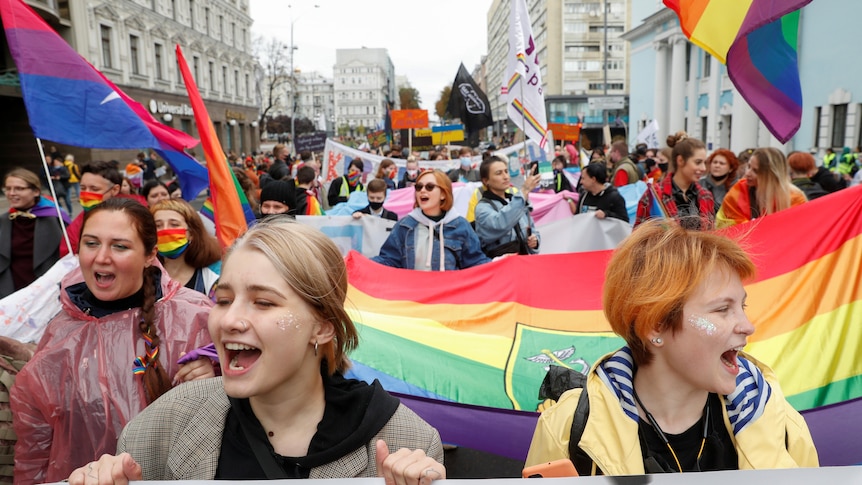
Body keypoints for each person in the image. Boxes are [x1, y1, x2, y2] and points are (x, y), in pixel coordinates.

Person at [67, 219, 445, 483]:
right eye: (224, 299)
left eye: (263, 303)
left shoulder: (405, 441)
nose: (230, 320)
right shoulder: (162, 425)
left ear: (323, 325)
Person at [524, 219, 819, 475]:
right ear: (656, 325)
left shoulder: (780, 423)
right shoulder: (566, 428)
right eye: (721, 310)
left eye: (742, 306)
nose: (747, 325)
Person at [12, 198, 215, 484]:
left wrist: (217, 377)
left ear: (149, 255)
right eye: (91, 243)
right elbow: (34, 439)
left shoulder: (194, 317)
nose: (102, 257)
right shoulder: (61, 331)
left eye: (120, 246)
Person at [373, 170, 489, 271]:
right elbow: (388, 260)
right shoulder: (404, 226)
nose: (422, 191)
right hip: (413, 294)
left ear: (443, 194)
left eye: (429, 187)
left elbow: (476, 263)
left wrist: (500, 263)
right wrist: (360, 263)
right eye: (419, 187)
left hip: (448, 295)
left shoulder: (461, 226)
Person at [0, 168, 70, 298]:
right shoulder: (4, 220)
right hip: (10, 291)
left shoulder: (55, 219)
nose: (11, 193)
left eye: (19, 188)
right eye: (8, 188)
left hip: (46, 290)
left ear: (36, 191)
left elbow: (68, 257)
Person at [635, 132, 715, 231]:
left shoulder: (706, 196)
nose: (703, 168)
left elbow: (711, 236)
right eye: (698, 162)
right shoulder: (654, 195)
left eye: (705, 162)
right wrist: (661, 231)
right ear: (680, 160)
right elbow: (637, 237)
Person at [716, 147, 807, 228]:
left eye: (755, 171)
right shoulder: (738, 191)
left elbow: (800, 231)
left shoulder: (795, 198)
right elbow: (726, 227)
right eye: (749, 166)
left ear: (771, 175)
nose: (747, 173)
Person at [151, 199, 222, 297]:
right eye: (158, 225)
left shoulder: (213, 277)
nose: (165, 230)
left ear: (191, 234)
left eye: (174, 224)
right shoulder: (144, 275)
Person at [474, 156, 541, 256]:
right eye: (499, 173)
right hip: (502, 267)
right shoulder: (482, 208)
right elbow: (500, 224)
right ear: (485, 180)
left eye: (506, 171)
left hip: (525, 262)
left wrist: (535, 241)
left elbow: (532, 229)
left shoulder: (515, 200)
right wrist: (524, 190)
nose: (505, 176)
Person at [61, 161, 123, 257]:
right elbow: (66, 254)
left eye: (94, 189)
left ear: (114, 190)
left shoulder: (132, 220)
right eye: (83, 188)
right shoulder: (76, 225)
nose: (87, 193)